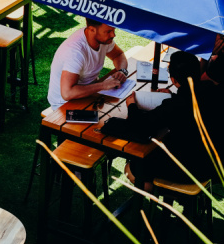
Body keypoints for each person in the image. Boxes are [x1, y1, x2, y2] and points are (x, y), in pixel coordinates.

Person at [125, 50, 223, 190]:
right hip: (216, 164)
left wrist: (132, 106)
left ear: (174, 80)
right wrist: (172, 97)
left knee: (133, 169)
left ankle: (164, 194)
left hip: (192, 169)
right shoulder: (214, 90)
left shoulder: (176, 106)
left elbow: (142, 126)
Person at [47, 20, 128, 108]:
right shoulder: (75, 52)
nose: (113, 35)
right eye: (108, 31)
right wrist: (103, 85)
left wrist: (122, 71)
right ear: (92, 30)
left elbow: (118, 55)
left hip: (90, 92)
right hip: (65, 103)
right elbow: (67, 93)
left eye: (113, 30)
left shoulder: (103, 39)